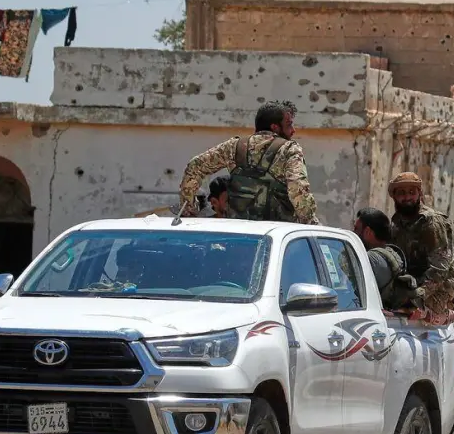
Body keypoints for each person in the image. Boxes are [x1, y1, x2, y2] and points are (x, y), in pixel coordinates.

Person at [177, 101, 320, 224]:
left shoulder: (234, 146)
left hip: (238, 234)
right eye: (289, 124)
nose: (293, 130)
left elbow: (195, 167)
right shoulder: (289, 150)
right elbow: (297, 189)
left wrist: (189, 208)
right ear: (275, 127)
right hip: (277, 234)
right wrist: (310, 224)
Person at [388, 171, 454, 322]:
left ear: (419, 194)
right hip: (414, 285)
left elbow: (440, 268)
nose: (407, 198)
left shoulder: (430, 222)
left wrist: (418, 294)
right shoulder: (397, 223)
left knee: (403, 313)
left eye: (411, 192)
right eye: (401, 193)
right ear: (394, 196)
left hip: (438, 289)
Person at [352, 207, 420, 311]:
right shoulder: (393, 253)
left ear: (368, 232)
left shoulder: (371, 258)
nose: (353, 233)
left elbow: (350, 292)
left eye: (356, 229)